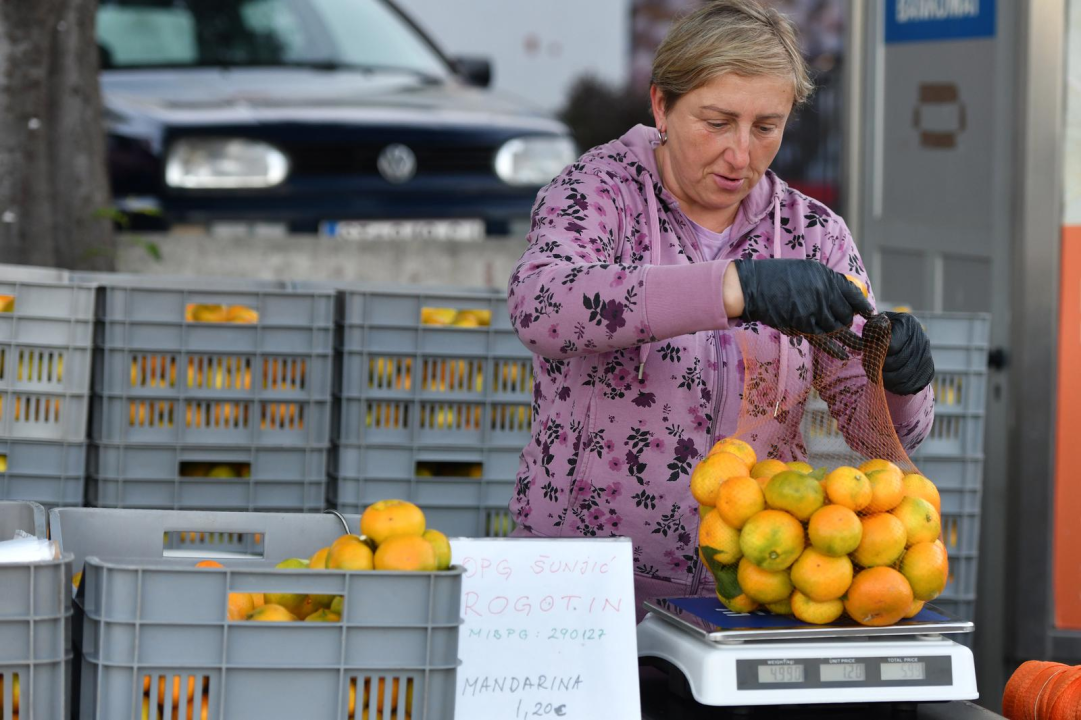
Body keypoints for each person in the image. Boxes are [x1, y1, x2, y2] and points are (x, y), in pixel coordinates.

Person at [506, 0, 935, 616]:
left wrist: (899, 383)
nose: (741, 155)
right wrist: (736, 288)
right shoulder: (600, 193)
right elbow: (541, 305)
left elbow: (880, 435)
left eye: (766, 127)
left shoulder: (813, 234)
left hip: (758, 590)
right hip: (582, 586)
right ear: (661, 105)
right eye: (716, 122)